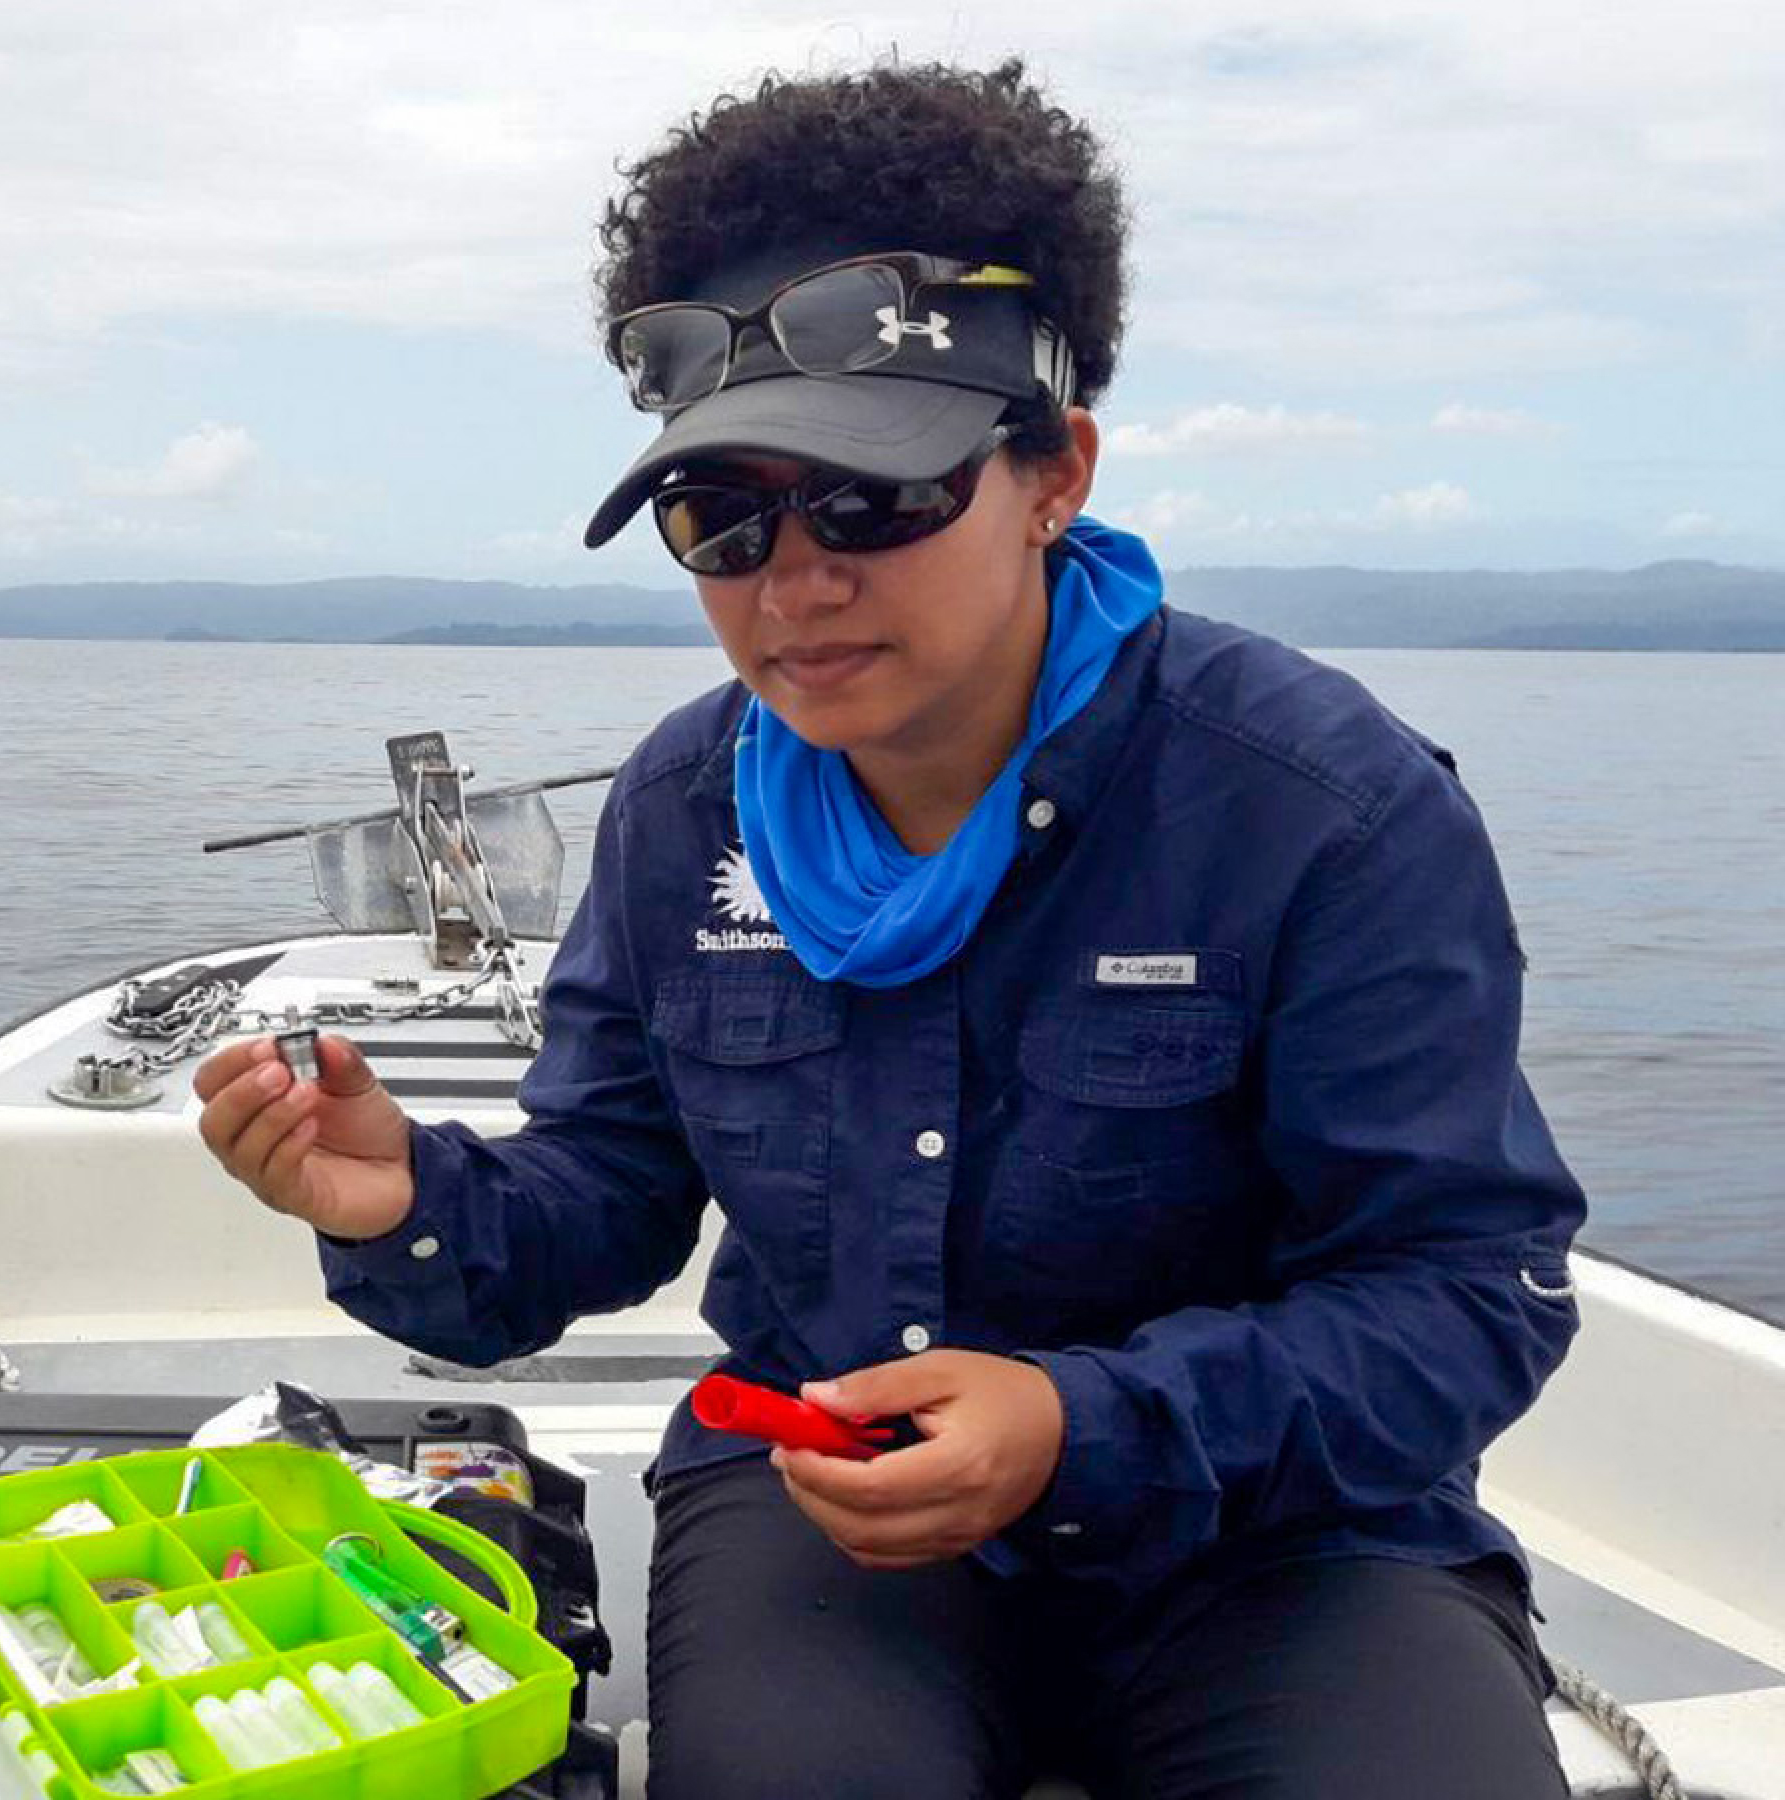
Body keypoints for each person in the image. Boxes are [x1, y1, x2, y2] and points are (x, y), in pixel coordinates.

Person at [192, 57, 1582, 1799]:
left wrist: (1085, 1425)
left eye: (875, 498)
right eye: (724, 517)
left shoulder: (1323, 805)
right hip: (812, 1496)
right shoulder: (685, 806)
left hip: (1281, 1535)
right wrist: (405, 1197)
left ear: (1053, 470)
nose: (797, 581)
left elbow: (1466, 1295)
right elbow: (607, 1201)